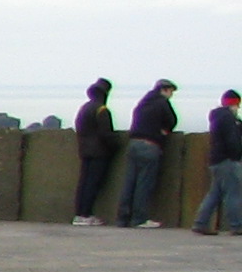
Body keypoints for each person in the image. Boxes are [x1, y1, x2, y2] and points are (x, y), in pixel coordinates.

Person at [119, 79, 180, 229]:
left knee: (129, 182)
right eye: (171, 91)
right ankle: (139, 219)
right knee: (144, 183)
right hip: (150, 145)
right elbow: (172, 121)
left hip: (133, 144)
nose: (171, 95)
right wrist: (164, 131)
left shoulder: (143, 103)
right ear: (164, 90)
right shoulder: (162, 102)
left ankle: (123, 218)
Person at [71, 79, 120, 225]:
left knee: (84, 183)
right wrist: (116, 146)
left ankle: (79, 214)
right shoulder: (102, 110)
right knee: (93, 183)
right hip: (99, 152)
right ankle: (86, 214)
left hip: (85, 150)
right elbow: (106, 133)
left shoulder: (84, 108)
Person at [195, 90, 241, 236]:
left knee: (214, 194)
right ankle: (237, 225)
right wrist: (237, 155)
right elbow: (232, 140)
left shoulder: (217, 116)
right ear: (234, 103)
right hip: (227, 160)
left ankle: (200, 223)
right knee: (233, 193)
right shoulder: (228, 118)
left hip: (216, 160)